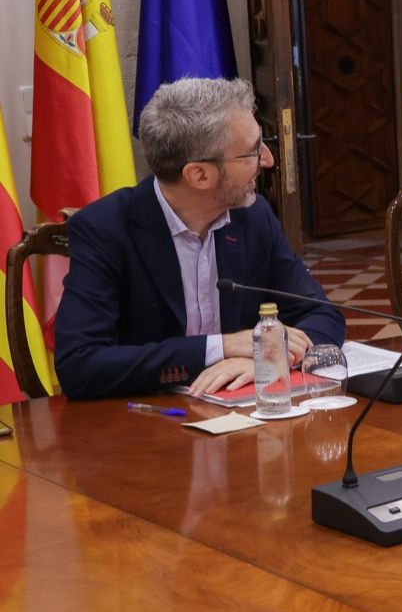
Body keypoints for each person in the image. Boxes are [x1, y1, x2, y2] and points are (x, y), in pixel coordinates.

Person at [56, 78, 345, 401]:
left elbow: (323, 314)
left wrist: (270, 358)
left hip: (249, 418)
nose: (268, 160)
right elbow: (79, 366)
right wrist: (220, 347)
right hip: (150, 427)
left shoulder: (253, 217)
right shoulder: (105, 229)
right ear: (199, 175)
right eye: (251, 152)